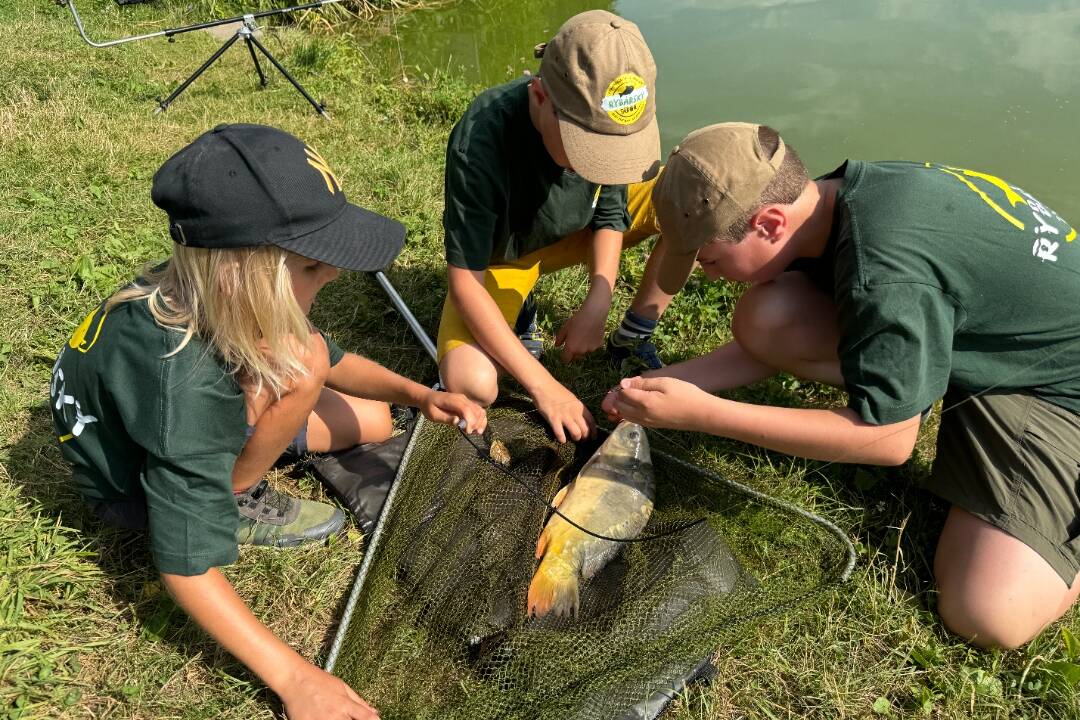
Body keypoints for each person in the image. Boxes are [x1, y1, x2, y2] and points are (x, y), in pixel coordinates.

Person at [50, 124, 486, 720]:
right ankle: (235, 496)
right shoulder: (183, 390)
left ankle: (259, 432)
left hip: (160, 412)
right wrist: (295, 678)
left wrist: (419, 393)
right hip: (130, 487)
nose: (332, 274)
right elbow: (186, 565)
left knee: (376, 417)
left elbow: (336, 360)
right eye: (312, 265)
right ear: (243, 273)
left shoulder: (205, 284)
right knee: (303, 367)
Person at [602, 122, 1080, 650]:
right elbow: (764, 343)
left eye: (708, 259)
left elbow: (890, 439)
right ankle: (918, 379)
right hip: (989, 333)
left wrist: (705, 414)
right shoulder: (833, 201)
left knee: (985, 614)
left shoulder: (885, 270)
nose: (706, 274)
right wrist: (661, 383)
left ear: (768, 223)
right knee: (771, 315)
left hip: (1055, 386)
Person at [438, 9, 682, 443]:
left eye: (613, 150)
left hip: (574, 234)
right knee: (471, 381)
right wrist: (544, 386)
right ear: (539, 97)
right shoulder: (482, 140)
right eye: (585, 147)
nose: (599, 163)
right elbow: (465, 283)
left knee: (690, 199)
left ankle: (632, 337)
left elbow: (611, 210)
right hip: (506, 258)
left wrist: (599, 298)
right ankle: (521, 309)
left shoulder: (609, 115)